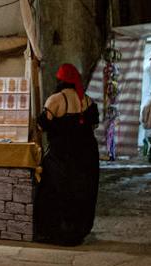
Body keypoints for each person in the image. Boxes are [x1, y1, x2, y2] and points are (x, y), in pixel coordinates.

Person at [34, 63, 101, 246]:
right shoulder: (88, 100)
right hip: (86, 155)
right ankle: (77, 233)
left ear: (60, 80)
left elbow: (42, 126)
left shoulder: (55, 100)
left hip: (62, 155)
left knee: (54, 191)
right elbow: (93, 126)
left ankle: (56, 233)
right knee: (81, 193)